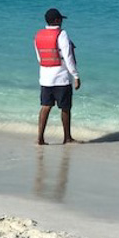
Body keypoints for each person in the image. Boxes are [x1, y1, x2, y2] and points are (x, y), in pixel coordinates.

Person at [34, 8, 81, 145]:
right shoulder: (62, 34)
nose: (61, 21)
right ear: (56, 20)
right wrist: (76, 76)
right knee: (65, 108)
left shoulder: (38, 35)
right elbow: (68, 57)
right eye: (60, 19)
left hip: (45, 78)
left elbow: (39, 58)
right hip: (61, 78)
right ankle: (67, 138)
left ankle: (40, 138)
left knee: (45, 106)